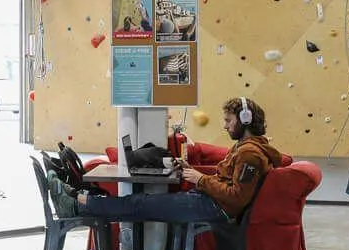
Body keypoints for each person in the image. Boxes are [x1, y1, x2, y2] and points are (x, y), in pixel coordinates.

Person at [77, 97, 283, 229]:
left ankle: (80, 205)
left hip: (214, 208)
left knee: (139, 203)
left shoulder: (250, 155)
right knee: (140, 201)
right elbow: (226, 182)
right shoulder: (245, 147)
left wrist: (200, 179)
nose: (225, 126)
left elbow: (236, 197)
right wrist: (191, 171)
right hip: (208, 201)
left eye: (229, 121)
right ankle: (83, 203)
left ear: (245, 120)